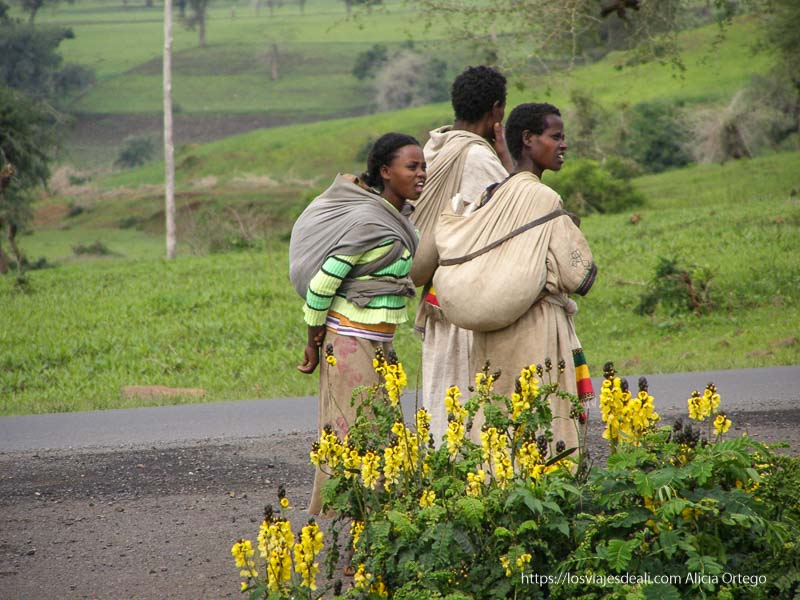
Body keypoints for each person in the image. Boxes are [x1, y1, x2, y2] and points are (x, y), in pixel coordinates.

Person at [288, 132, 426, 516]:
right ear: (385, 172)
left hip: (380, 344)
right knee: (357, 436)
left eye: (423, 166)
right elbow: (322, 287)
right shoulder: (369, 224)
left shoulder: (399, 219)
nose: (421, 174)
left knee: (382, 434)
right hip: (350, 341)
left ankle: (378, 522)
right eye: (411, 166)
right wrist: (312, 342)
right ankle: (356, 527)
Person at [466, 102, 597, 456]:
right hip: (536, 327)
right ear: (528, 139)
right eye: (555, 136)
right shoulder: (543, 197)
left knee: (498, 424)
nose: (563, 145)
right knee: (544, 424)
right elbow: (577, 274)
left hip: (491, 330)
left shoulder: (490, 195)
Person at [409, 65, 513, 447]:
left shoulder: (432, 149)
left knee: (443, 390)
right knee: (469, 394)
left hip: (435, 293)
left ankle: (442, 467)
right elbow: (514, 217)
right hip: (467, 297)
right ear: (496, 110)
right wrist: (507, 161)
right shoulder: (478, 159)